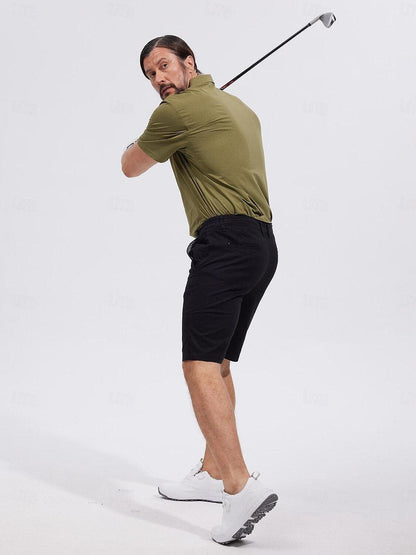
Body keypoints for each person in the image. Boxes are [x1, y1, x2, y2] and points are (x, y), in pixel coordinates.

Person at [121, 35, 278, 545]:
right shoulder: (238, 107)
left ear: (190, 63)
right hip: (261, 247)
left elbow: (131, 165)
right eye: (150, 75)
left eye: (165, 66)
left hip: (224, 244)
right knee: (220, 363)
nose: (159, 80)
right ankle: (213, 471)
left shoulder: (175, 113)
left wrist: (139, 137)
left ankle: (239, 487)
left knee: (198, 367)